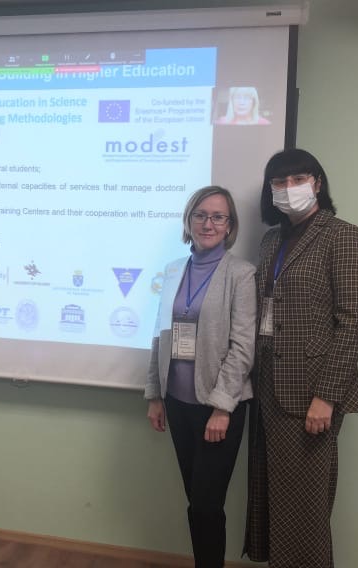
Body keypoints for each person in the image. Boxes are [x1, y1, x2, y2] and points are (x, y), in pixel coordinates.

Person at [243, 149, 358, 568]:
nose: (288, 188)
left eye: (297, 179)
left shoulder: (342, 235)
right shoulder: (271, 240)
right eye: (279, 182)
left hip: (311, 392)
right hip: (268, 384)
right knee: (274, 496)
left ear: (317, 182)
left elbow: (352, 322)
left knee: (304, 506)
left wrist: (326, 396)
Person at [145, 185, 257, 568]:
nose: (208, 224)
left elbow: (243, 346)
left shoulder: (241, 274)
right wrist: (155, 394)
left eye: (218, 217)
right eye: (200, 215)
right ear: (189, 221)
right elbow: (160, 334)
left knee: (207, 504)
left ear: (230, 226)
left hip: (218, 408)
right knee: (196, 502)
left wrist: (222, 408)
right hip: (177, 404)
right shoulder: (173, 270)